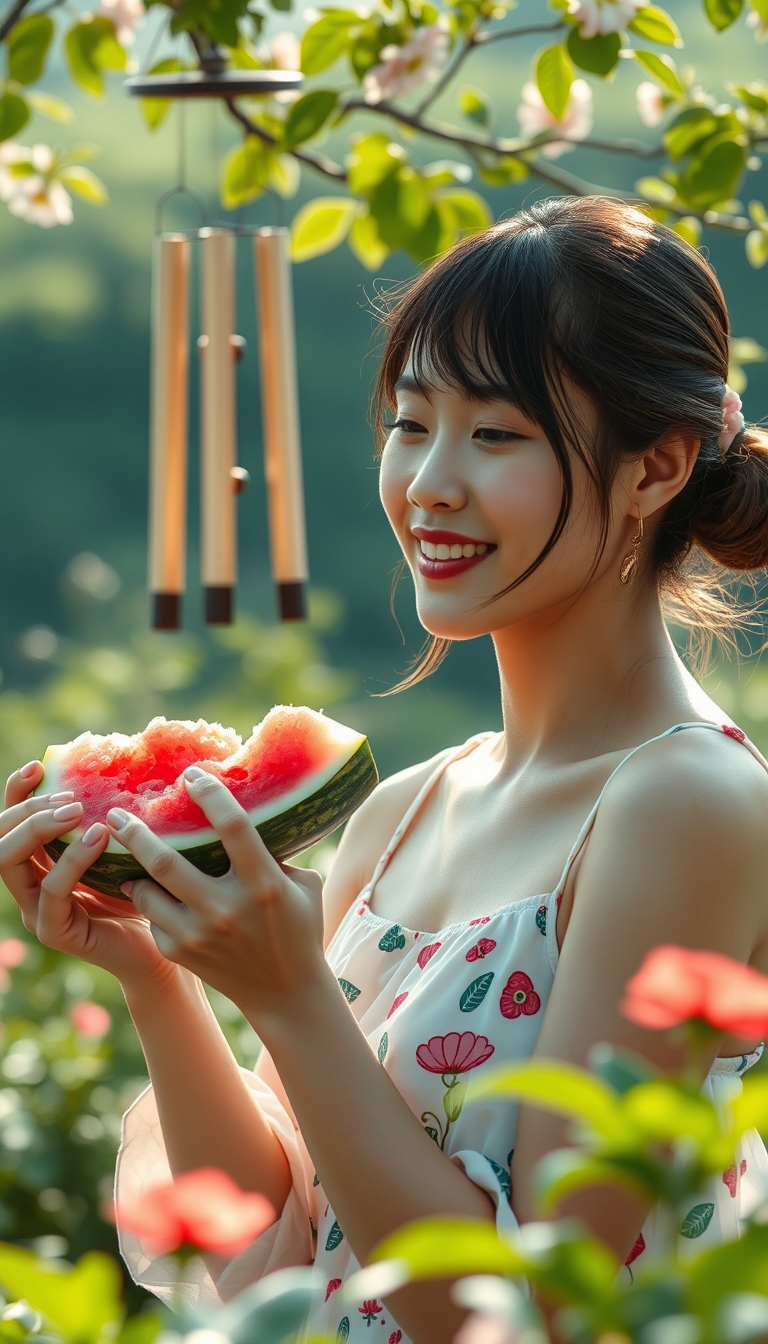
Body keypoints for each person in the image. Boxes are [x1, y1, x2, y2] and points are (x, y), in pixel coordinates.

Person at [3, 195, 768, 1344]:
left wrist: (294, 994)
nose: (429, 485)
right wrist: (152, 973)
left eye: (497, 434)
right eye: (412, 424)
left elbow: (534, 1311)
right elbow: (274, 1239)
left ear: (655, 467)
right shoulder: (405, 810)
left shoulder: (686, 803)